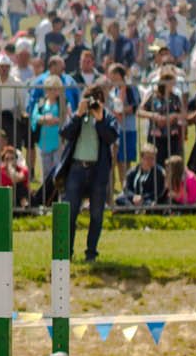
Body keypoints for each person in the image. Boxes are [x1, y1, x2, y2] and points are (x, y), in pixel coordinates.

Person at [53, 89, 116, 261]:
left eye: (97, 100)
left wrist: (100, 119)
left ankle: (91, 253)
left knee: (96, 214)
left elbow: (111, 137)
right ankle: (67, 252)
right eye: (89, 99)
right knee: (70, 212)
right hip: (77, 169)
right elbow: (65, 133)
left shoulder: (107, 117)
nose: (93, 103)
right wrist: (78, 115)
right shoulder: (78, 116)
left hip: (98, 170)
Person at [118, 143, 168, 208]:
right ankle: (133, 208)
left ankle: (135, 208)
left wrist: (143, 198)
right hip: (133, 198)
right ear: (141, 158)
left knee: (151, 204)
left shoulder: (159, 172)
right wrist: (133, 196)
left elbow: (158, 191)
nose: (150, 161)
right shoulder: (133, 171)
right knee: (120, 199)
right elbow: (126, 188)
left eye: (152, 158)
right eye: (147, 158)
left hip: (148, 199)